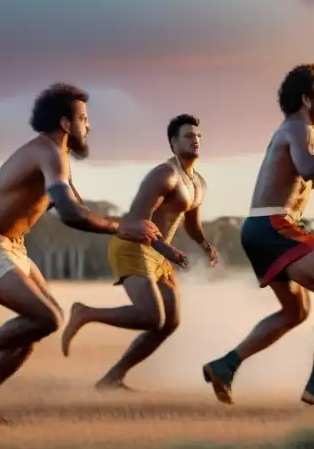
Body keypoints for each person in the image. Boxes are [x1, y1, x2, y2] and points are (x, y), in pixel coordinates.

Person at [0, 83, 171, 427]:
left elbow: (79, 207)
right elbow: (69, 214)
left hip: (11, 246)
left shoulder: (57, 157)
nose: (88, 125)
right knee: (47, 318)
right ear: (66, 124)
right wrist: (119, 228)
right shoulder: (47, 153)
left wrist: (131, 228)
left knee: (31, 332)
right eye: (83, 118)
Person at [201, 63, 314, 412]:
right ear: (306, 99)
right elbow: (309, 168)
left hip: (261, 227)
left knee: (295, 311)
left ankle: (225, 366)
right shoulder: (297, 127)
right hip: (274, 225)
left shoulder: (304, 132)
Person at [60, 113, 218, 390]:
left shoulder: (198, 183)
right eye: (187, 136)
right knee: (151, 316)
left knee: (169, 322)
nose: (195, 140)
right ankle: (85, 313)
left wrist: (205, 246)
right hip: (134, 245)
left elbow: (192, 224)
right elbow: (136, 221)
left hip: (160, 253)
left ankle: (113, 379)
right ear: (172, 143)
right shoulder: (164, 175)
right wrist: (165, 248)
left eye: (197, 136)